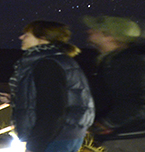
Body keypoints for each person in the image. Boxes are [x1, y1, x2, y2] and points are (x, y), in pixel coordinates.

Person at [7, 20, 95, 152]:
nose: (21, 37)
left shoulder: (47, 64)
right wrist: (15, 99)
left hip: (54, 137)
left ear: (42, 39)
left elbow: (53, 110)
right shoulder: (61, 60)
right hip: (67, 134)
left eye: (27, 35)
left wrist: (35, 145)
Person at [83, 15, 145, 152]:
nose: (89, 31)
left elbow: (138, 102)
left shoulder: (129, 64)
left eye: (95, 29)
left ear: (109, 36)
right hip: (128, 137)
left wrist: (106, 123)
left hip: (136, 141)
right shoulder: (115, 61)